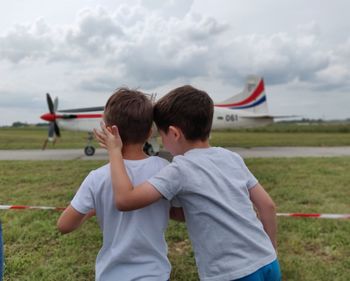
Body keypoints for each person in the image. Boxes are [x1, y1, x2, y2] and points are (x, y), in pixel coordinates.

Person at [95, 85, 281, 281]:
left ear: (174, 134)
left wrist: (115, 150)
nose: (162, 140)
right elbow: (267, 206)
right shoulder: (231, 157)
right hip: (268, 262)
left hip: (230, 274)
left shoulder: (179, 169)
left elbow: (125, 200)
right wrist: (270, 253)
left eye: (162, 134)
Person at [57, 88, 174, 281]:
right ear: (148, 132)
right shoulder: (165, 169)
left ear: (109, 131)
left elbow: (64, 225)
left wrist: (90, 210)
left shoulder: (97, 177)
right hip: (156, 274)